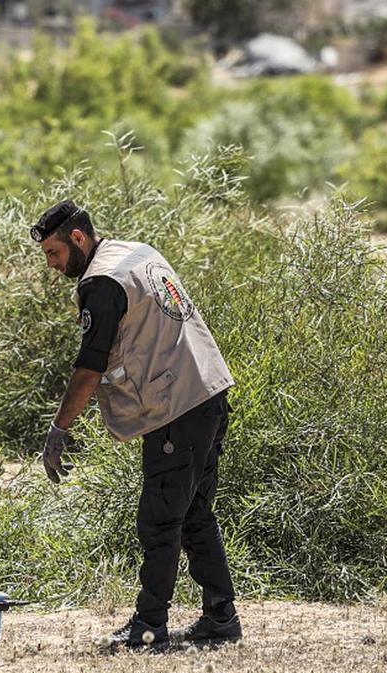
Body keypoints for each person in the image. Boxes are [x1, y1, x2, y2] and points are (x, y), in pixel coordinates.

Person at [31, 200, 241, 650]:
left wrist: (58, 429)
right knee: (195, 513)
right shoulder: (136, 252)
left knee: (159, 520)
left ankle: (149, 627)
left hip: (175, 408)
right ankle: (220, 618)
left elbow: (90, 367)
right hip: (208, 389)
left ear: (78, 238)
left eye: (54, 253)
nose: (52, 265)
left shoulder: (102, 283)